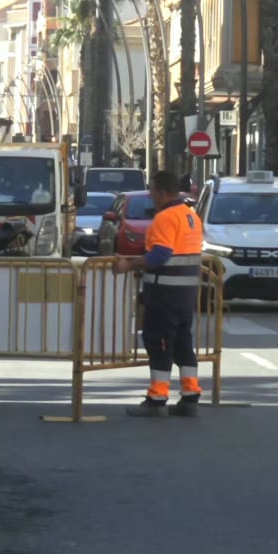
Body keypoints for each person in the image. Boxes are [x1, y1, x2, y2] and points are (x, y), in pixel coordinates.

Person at [113, 170, 204, 417]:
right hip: (185, 294)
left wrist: (129, 265)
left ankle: (157, 397)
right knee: (183, 343)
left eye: (152, 191)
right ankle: (190, 395)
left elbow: (160, 255)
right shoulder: (190, 216)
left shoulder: (165, 218)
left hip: (165, 293)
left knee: (159, 343)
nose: (151, 196)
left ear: (163, 193)